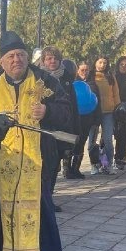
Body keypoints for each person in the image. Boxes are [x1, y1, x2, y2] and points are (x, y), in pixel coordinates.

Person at [0, 31, 69, 251]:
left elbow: (68, 111)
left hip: (36, 162)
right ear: (1, 61)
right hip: (0, 160)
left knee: (38, 209)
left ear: (28, 58)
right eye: (11, 56)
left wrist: (48, 110)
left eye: (21, 55)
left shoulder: (44, 81)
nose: (16, 60)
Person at [39, 46, 79, 207]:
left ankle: (49, 198)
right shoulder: (37, 78)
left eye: (55, 58)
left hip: (61, 127)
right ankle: (41, 196)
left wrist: (75, 128)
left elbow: (72, 106)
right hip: (43, 129)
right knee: (43, 164)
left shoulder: (67, 80)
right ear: (43, 61)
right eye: (48, 58)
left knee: (54, 164)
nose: (52, 61)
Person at [87, 56, 121, 175]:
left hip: (108, 112)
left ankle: (107, 164)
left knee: (107, 140)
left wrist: (117, 108)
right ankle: (94, 164)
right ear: (95, 62)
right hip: (93, 112)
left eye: (105, 63)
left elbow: (116, 94)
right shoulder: (90, 76)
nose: (102, 65)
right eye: (100, 62)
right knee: (92, 140)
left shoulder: (110, 77)